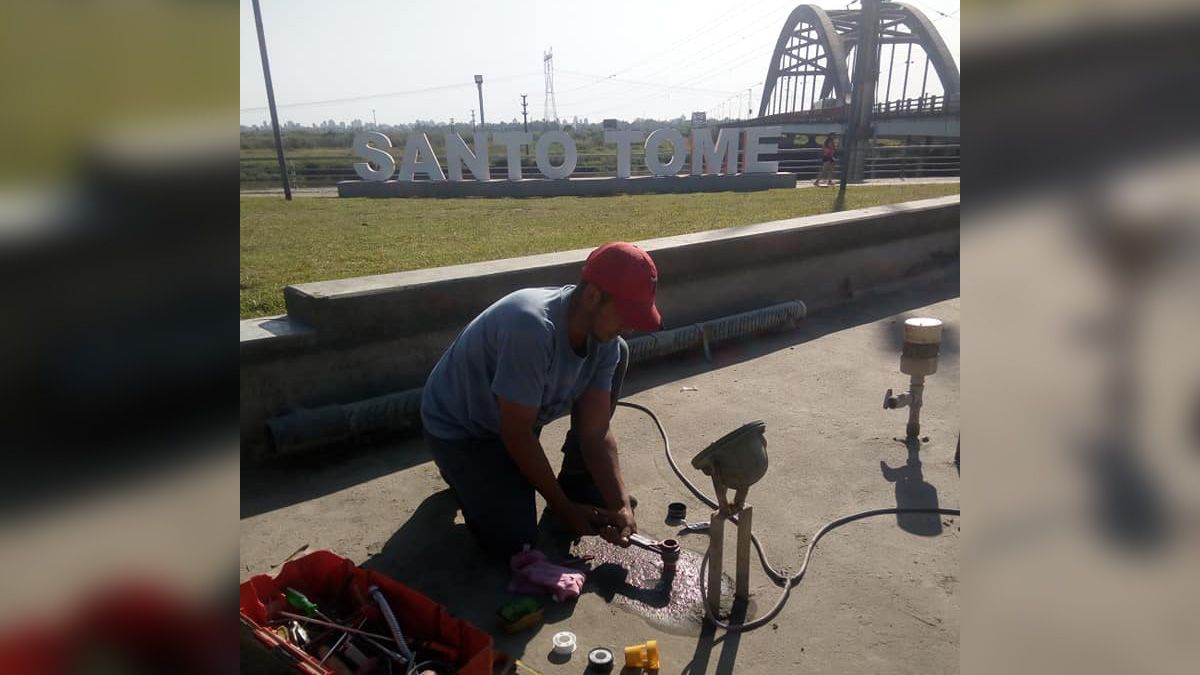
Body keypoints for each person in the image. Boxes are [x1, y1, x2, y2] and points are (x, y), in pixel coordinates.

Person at [420, 241, 662, 560]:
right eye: (625, 315)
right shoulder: (531, 328)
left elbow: (595, 430)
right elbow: (516, 434)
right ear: (592, 296)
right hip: (463, 431)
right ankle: (462, 475)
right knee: (513, 542)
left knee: (619, 351)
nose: (629, 327)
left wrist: (620, 503)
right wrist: (564, 509)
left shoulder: (604, 340)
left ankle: (576, 480)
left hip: (515, 419)